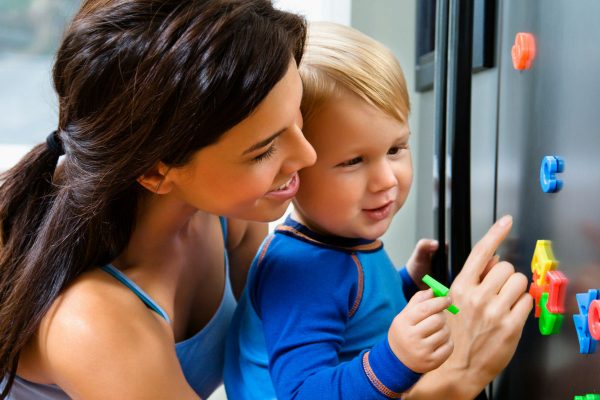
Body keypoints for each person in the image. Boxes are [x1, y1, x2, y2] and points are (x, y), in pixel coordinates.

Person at [0, 1, 316, 399]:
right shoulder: (93, 320)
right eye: (263, 150)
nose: (308, 155)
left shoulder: (231, 215)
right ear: (155, 172)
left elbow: (282, 352)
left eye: (296, 114)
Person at [225, 22, 533, 400]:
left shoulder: (340, 241)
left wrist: (406, 282)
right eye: (354, 161)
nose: (386, 179)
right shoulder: (301, 271)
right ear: (293, 166)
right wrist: (396, 358)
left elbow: (355, 319)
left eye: (395, 149)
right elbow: (302, 393)